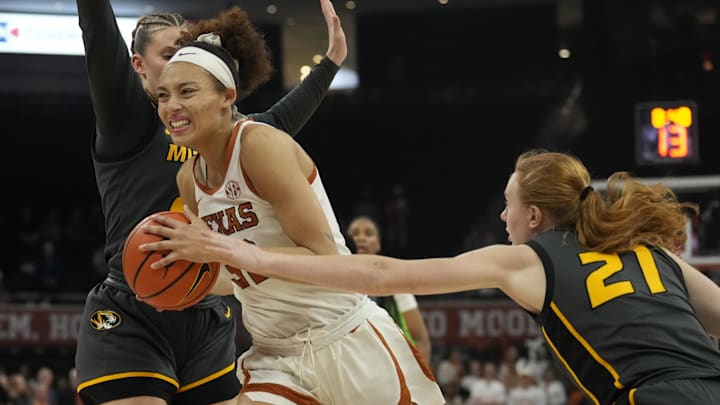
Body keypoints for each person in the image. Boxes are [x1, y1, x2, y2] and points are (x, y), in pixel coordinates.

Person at [161, 149, 720, 404]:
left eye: (508, 204)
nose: (501, 217)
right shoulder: (652, 253)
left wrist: (247, 257)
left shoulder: (525, 260)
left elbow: (380, 273)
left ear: (534, 216)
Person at [139, 7, 445, 404]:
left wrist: (225, 251)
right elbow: (236, 275)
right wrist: (176, 285)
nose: (171, 106)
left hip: (343, 337)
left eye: (187, 91)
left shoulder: (259, 146)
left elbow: (319, 254)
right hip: (277, 358)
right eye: (163, 95)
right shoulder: (188, 181)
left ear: (226, 96)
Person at [73, 0, 347, 403]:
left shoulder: (222, 137)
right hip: (134, 309)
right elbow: (99, 36)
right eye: (168, 55)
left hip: (208, 310)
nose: (181, 63)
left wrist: (331, 62)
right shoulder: (127, 119)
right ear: (137, 65)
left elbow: (276, 124)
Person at [347, 215, 432, 364]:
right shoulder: (333, 286)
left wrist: (419, 384)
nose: (360, 238)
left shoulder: (396, 284)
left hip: (391, 370)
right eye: (354, 233)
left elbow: (420, 339)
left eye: (368, 233)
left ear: (378, 244)